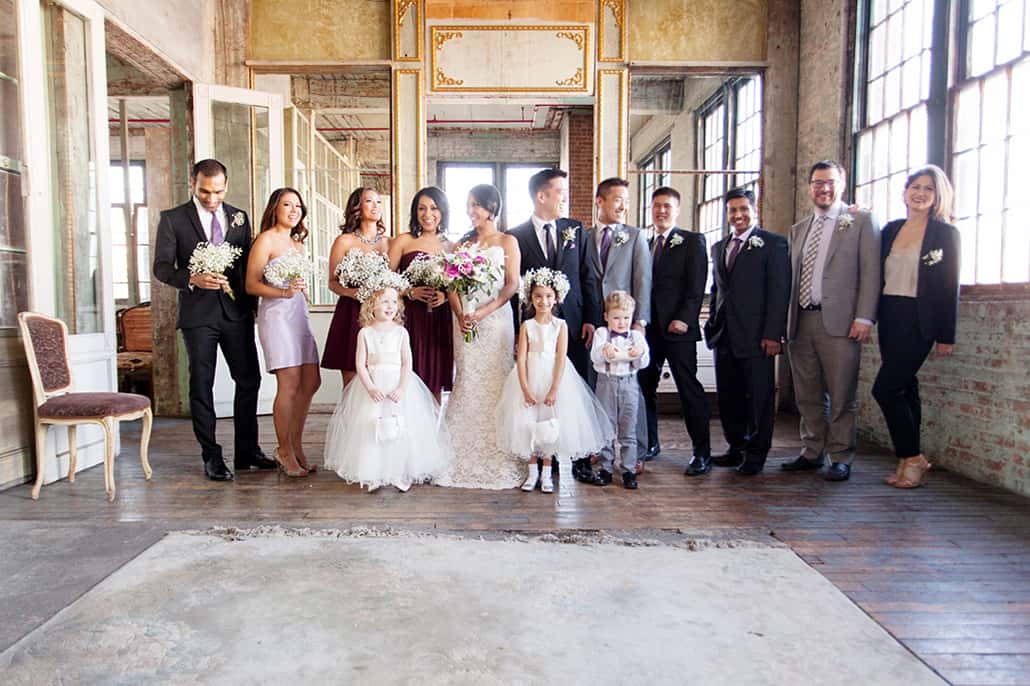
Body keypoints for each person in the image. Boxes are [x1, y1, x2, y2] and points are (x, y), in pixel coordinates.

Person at [153, 158, 274, 481]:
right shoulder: (173, 219)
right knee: (201, 386)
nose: (211, 198)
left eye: (217, 192)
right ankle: (211, 455)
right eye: (204, 191)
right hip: (198, 317)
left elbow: (247, 265)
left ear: (226, 186)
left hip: (235, 314)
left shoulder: (239, 217)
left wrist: (252, 306)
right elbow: (161, 267)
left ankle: (247, 450)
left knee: (249, 381)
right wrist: (192, 278)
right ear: (192, 183)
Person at [783, 160, 881, 482]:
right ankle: (811, 451)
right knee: (807, 394)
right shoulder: (799, 229)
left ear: (841, 184)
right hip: (801, 321)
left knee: (841, 394)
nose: (823, 188)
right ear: (809, 187)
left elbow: (871, 273)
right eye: (817, 183)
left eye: (830, 182)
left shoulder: (860, 221)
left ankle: (840, 456)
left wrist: (864, 316)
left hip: (840, 323)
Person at [507, 168, 601, 483]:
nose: (565, 197)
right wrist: (516, 331)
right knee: (538, 393)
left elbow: (589, 276)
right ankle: (542, 458)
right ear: (541, 196)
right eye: (560, 191)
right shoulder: (516, 235)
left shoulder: (574, 229)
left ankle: (579, 459)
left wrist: (591, 318)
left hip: (574, 325)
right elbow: (512, 288)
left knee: (576, 390)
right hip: (534, 331)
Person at [873, 165, 960, 489]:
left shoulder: (945, 234)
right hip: (890, 313)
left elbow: (950, 286)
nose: (920, 193)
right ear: (905, 191)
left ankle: (912, 457)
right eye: (915, 186)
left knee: (884, 388)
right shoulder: (891, 230)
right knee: (906, 388)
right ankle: (907, 464)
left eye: (928, 189)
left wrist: (945, 335)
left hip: (920, 318)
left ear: (938, 196)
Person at [435, 184, 526, 490]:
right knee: (469, 379)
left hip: (496, 320)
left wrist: (485, 311)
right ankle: (457, 453)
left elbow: (511, 284)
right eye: (469, 205)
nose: (471, 211)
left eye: (477, 205)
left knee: (496, 381)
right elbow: (450, 284)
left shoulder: (507, 241)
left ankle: (500, 451)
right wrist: (461, 315)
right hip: (464, 322)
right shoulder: (463, 244)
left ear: (492, 207)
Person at [323, 280, 451, 492]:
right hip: (373, 387)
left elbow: (407, 363)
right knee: (372, 428)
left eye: (394, 301)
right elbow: (360, 364)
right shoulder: (365, 333)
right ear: (371, 305)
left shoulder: (401, 332)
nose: (390, 306)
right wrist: (370, 388)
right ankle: (373, 474)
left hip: (398, 387)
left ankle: (399, 473)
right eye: (384, 302)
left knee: (401, 428)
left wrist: (401, 387)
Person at [496, 268, 614, 493]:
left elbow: (561, 359)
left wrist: (553, 390)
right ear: (531, 298)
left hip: (553, 378)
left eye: (549, 296)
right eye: (538, 296)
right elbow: (520, 359)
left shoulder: (560, 326)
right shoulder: (527, 326)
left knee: (550, 426)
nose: (543, 301)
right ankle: (532, 474)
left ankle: (548, 474)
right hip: (530, 376)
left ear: (557, 298)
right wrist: (524, 388)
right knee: (528, 424)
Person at [703, 188, 790, 476]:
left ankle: (757, 453)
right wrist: (713, 321)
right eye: (732, 210)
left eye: (743, 209)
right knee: (729, 396)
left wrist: (773, 333)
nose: (738, 215)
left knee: (760, 397)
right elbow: (718, 290)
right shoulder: (719, 246)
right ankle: (736, 446)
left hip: (757, 336)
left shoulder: (772, 244)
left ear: (755, 209)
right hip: (724, 334)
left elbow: (779, 292)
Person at [245, 188, 322, 477]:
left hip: (299, 315)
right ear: (274, 208)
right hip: (277, 316)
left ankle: (296, 444)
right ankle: (284, 450)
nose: (294, 210)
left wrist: (297, 291)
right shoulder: (266, 240)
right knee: (288, 384)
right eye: (287, 204)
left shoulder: (297, 244)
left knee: (311, 380)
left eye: (298, 206)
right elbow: (251, 285)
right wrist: (283, 291)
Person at [638, 187, 712, 474]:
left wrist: (684, 318)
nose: (661, 211)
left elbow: (697, 286)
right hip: (649, 330)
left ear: (677, 209)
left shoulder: (692, 241)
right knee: (645, 388)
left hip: (678, 329)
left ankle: (701, 452)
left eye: (667, 206)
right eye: (656, 206)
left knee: (688, 388)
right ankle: (650, 442)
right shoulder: (645, 243)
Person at [584, 177, 652, 472]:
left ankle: (636, 453)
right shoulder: (585, 236)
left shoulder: (635, 236)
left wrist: (640, 323)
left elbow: (643, 280)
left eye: (626, 200)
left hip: (625, 320)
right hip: (594, 323)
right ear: (600, 201)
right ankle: (600, 449)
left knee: (631, 391)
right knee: (599, 387)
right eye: (617, 199)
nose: (623, 205)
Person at [389, 187, 454, 401]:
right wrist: (410, 291)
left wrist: (445, 296)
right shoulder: (404, 240)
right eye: (422, 208)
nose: (428, 214)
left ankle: (431, 432)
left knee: (435, 378)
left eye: (434, 208)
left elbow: (457, 285)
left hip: (439, 318)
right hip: (410, 317)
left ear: (442, 211)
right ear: (415, 212)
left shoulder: (451, 245)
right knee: (408, 373)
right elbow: (387, 279)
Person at [322, 187, 391, 385]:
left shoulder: (390, 243)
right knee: (352, 376)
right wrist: (353, 293)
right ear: (357, 208)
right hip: (352, 313)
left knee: (381, 373)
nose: (375, 206)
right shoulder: (344, 241)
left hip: (381, 315)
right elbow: (332, 282)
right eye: (369, 201)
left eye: (378, 202)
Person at [589, 290, 650, 489]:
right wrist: (603, 351)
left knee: (628, 429)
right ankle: (606, 467)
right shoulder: (601, 334)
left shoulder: (636, 337)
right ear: (607, 317)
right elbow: (595, 360)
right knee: (607, 428)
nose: (621, 322)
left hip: (629, 384)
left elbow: (644, 363)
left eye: (626, 318)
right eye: (616, 318)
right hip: (606, 383)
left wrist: (640, 353)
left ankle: (628, 470)